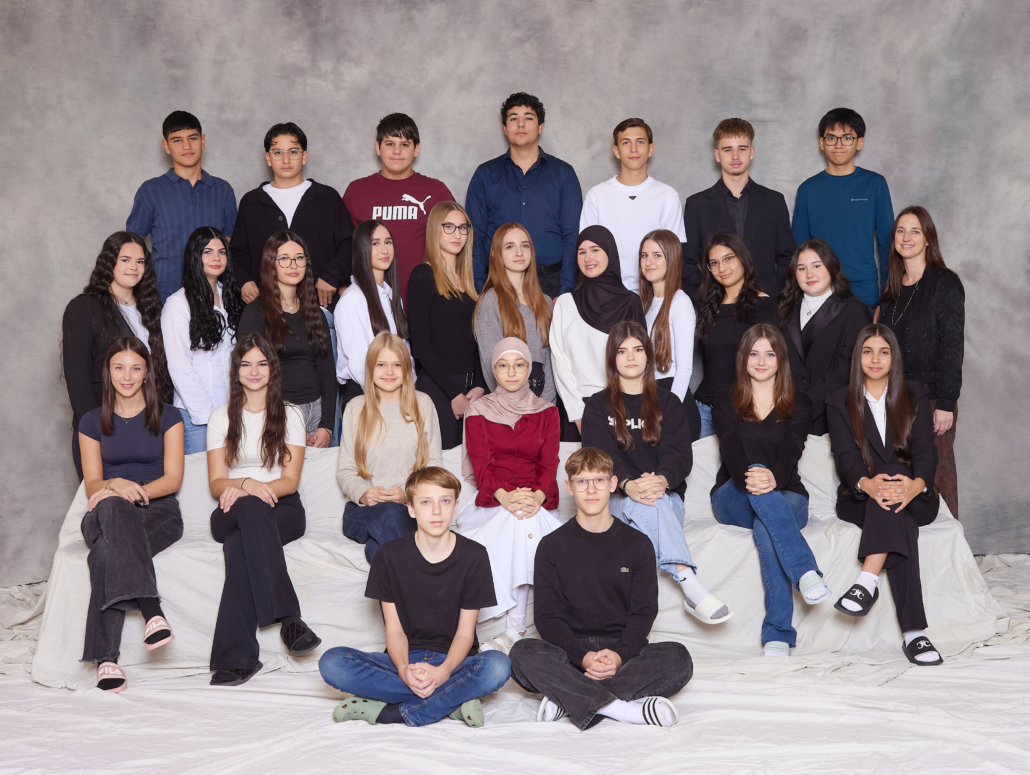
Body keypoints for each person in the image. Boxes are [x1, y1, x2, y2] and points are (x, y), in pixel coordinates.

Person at [508, 447, 693, 730]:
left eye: (599, 480)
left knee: (678, 658)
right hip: (570, 654)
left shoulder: (638, 544)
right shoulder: (551, 546)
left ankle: (569, 699)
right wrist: (583, 657)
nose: (591, 489)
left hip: (624, 654)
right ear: (569, 487)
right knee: (522, 654)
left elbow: (643, 614)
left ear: (612, 483)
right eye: (582, 481)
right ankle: (623, 709)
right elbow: (548, 619)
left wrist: (617, 656)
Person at [319, 467, 512, 728]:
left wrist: (443, 672)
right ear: (410, 508)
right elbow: (395, 631)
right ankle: (453, 701)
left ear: (456, 506)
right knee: (332, 663)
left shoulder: (474, 556)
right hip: (403, 659)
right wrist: (403, 671)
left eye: (445, 501)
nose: (436, 511)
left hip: (454, 662)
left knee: (498, 666)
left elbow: (465, 634)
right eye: (426, 502)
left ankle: (392, 713)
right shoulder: (388, 556)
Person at [581, 321, 730, 624]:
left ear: (648, 355)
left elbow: (679, 454)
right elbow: (599, 457)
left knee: (655, 502)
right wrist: (627, 484)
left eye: (638, 349)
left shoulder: (669, 402)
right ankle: (690, 583)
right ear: (612, 358)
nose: (631, 357)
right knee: (647, 503)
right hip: (616, 499)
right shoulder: (597, 405)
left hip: (665, 496)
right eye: (622, 351)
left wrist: (661, 480)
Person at [206, 333, 321, 686]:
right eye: (246, 364)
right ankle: (289, 620)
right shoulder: (220, 417)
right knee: (248, 514)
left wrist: (258, 491)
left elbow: (290, 480)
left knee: (239, 546)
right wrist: (245, 485)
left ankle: (235, 658)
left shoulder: (291, 414)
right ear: (236, 370)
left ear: (272, 368)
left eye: (261, 363)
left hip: (282, 508)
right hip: (231, 508)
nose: (254, 371)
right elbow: (216, 482)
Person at [826, 324, 943, 665]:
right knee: (896, 515)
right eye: (867, 351)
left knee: (896, 478)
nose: (875, 359)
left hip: (915, 496)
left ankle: (867, 580)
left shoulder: (914, 392)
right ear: (858, 357)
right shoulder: (839, 399)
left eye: (883, 352)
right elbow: (845, 455)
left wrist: (916, 485)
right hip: (861, 496)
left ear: (894, 357)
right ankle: (915, 634)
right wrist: (868, 483)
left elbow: (926, 451)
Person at [711, 324, 830, 656]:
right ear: (743, 358)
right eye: (754, 354)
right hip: (733, 494)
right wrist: (755, 477)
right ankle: (805, 572)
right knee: (759, 480)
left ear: (781, 360)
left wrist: (773, 478)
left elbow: (793, 448)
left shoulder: (799, 402)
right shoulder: (725, 399)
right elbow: (730, 447)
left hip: (788, 494)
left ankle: (777, 633)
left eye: (769, 354)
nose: (761, 362)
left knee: (767, 526)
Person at [77, 337, 185, 693]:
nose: (127, 376)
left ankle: (105, 661)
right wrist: (115, 485)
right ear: (108, 372)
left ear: (146, 372)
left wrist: (133, 491)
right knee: (111, 504)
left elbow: (172, 479)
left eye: (135, 368)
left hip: (159, 511)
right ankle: (153, 611)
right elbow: (93, 484)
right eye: (119, 368)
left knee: (105, 554)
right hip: (104, 512)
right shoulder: (91, 421)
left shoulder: (169, 416)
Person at [454, 338, 565, 653]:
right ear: (494, 370)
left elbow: (549, 464)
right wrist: (505, 497)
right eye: (503, 365)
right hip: (494, 498)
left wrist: (537, 497)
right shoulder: (479, 409)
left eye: (519, 365)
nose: (512, 372)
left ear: (529, 369)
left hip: (534, 498)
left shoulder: (547, 411)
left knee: (524, 520)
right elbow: (482, 465)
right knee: (520, 521)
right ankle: (514, 628)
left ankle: (514, 631)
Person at [875, 206, 964, 518]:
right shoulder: (891, 290)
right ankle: (910, 542)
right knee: (902, 478)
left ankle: (952, 540)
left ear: (928, 239)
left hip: (933, 400)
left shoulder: (944, 282)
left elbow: (952, 346)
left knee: (939, 473)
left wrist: (946, 403)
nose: (907, 237)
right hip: (896, 401)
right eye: (900, 231)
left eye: (915, 231)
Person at [63, 232, 172, 479]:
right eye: (125, 260)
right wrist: (97, 431)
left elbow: (161, 372)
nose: (133, 267)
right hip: (103, 427)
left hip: (148, 428)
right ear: (109, 262)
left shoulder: (152, 310)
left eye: (140, 261)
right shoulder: (84, 308)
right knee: (106, 499)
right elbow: (77, 378)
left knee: (150, 498)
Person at [338, 332, 442, 563]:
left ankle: (393, 584)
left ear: (406, 369)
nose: (389, 372)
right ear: (370, 368)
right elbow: (345, 470)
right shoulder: (355, 408)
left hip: (409, 508)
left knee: (380, 543)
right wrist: (364, 494)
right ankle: (419, 578)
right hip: (363, 511)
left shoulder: (423, 404)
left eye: (397, 365)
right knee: (389, 514)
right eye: (381, 365)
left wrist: (407, 494)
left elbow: (433, 466)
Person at [466, 92, 583, 297]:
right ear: (505, 129)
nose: (521, 124)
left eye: (528, 118)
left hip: (552, 284)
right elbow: (475, 236)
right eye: (513, 118)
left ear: (540, 127)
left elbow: (572, 236)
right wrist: (480, 288)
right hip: (498, 283)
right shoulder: (485, 175)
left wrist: (565, 291)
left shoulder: (564, 174)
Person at [230, 122, 354, 313]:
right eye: (278, 152)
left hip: (320, 308)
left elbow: (349, 243)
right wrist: (244, 280)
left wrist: (332, 275)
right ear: (268, 158)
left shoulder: (327, 197)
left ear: (304, 156)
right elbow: (238, 252)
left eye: (293, 151)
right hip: (266, 310)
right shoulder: (251, 202)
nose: (286, 159)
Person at [236, 232, 335, 447]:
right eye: (284, 259)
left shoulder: (315, 312)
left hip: (317, 413)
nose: (293, 265)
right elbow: (250, 376)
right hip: (277, 414)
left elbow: (327, 370)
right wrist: (286, 422)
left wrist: (327, 426)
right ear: (271, 263)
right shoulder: (255, 314)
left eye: (299, 258)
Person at [126, 111, 237, 301]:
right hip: (162, 295)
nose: (186, 146)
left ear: (202, 141)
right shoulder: (151, 190)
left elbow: (230, 242)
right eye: (177, 140)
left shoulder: (222, 190)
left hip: (212, 295)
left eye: (192, 138)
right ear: (166, 146)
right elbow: (131, 245)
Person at [343, 113, 455, 301]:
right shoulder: (357, 191)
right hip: (371, 298)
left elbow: (456, 242)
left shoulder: (436, 191)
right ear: (378, 148)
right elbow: (344, 246)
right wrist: (342, 286)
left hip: (425, 297)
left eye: (404, 144)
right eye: (389, 144)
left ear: (416, 149)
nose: (397, 151)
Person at [682, 118, 796, 300]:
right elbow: (685, 263)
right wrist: (709, 297)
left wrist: (769, 295)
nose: (735, 156)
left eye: (742, 149)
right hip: (717, 306)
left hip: (764, 303)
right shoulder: (697, 205)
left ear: (752, 152)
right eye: (728, 150)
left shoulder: (774, 201)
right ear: (717, 155)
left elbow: (788, 257)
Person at [792, 108, 894, 308]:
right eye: (831, 138)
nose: (838, 145)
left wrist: (887, 297)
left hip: (865, 293)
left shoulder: (875, 184)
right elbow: (798, 250)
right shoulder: (807, 190)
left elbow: (888, 245)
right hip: (820, 293)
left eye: (847, 138)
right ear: (822, 143)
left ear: (859, 142)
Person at [550, 225, 646, 434]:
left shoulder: (631, 302)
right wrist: (577, 413)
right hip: (574, 409)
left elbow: (640, 361)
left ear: (610, 253)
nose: (587, 258)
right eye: (581, 252)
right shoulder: (565, 303)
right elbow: (559, 361)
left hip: (621, 408)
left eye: (595, 250)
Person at [407, 202, 486, 449]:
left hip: (470, 391)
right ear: (435, 229)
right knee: (441, 466)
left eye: (463, 228)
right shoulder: (423, 275)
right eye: (449, 227)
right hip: (439, 389)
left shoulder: (468, 282)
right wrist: (454, 394)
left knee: (471, 465)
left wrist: (480, 385)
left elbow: (476, 341)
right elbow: (421, 346)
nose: (457, 234)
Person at [161, 226, 245, 454]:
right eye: (208, 252)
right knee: (201, 476)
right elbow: (179, 366)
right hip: (197, 417)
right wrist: (209, 417)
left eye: (221, 252)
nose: (216, 258)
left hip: (233, 411)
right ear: (195, 256)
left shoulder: (231, 297)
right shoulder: (178, 304)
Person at [579, 118, 686, 292]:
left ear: (651, 149)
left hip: (654, 294)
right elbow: (587, 253)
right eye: (626, 142)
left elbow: (674, 256)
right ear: (616, 151)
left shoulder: (668, 196)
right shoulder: (596, 196)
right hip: (608, 294)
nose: (634, 149)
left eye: (640, 142)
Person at [777, 239, 870, 435]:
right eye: (801, 268)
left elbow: (848, 368)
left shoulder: (854, 310)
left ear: (833, 268)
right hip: (785, 415)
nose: (809, 274)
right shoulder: (784, 310)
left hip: (834, 417)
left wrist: (803, 407)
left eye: (816, 266)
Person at [693, 231, 778, 437]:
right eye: (714, 263)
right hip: (705, 408)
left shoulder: (762, 305)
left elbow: (775, 362)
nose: (722, 268)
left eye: (728, 259)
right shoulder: (709, 305)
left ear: (742, 258)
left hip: (743, 410)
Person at [334, 220, 413, 410]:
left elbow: (405, 353)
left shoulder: (392, 296)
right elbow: (360, 363)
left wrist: (409, 393)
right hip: (366, 397)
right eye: (375, 243)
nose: (384, 250)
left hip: (397, 394)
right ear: (361, 249)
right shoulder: (352, 299)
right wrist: (386, 404)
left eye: (388, 242)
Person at [474, 223, 555, 403]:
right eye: (510, 246)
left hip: (543, 401)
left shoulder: (545, 302)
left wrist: (546, 405)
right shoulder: (490, 301)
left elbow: (550, 362)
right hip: (508, 403)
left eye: (525, 246)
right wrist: (514, 406)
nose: (519, 252)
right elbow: (490, 365)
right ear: (495, 254)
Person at [638, 229, 698, 406]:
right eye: (644, 255)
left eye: (657, 255)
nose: (648, 262)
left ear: (671, 259)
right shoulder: (646, 304)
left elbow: (684, 369)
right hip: (651, 395)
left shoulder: (680, 302)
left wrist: (671, 411)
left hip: (673, 397)